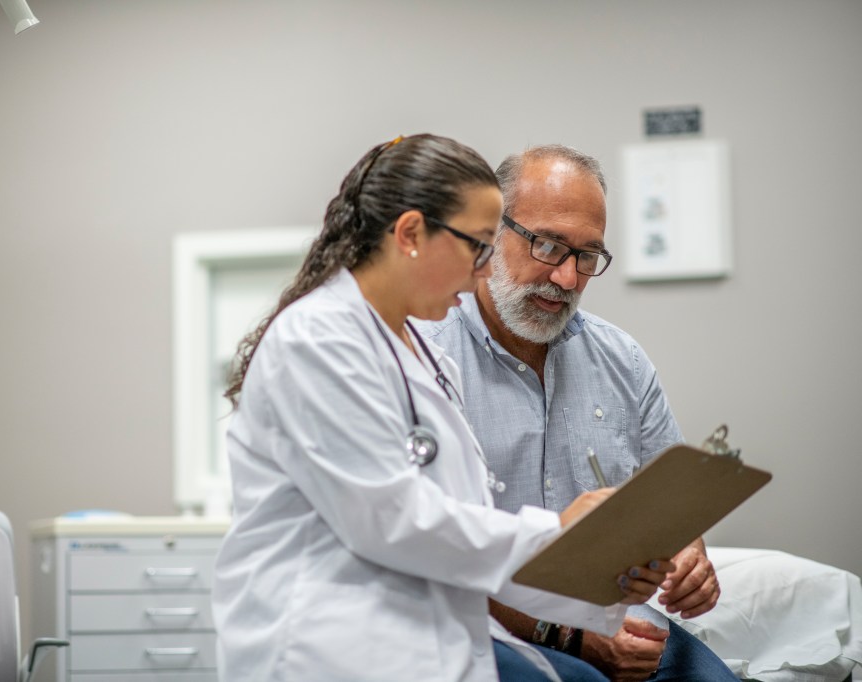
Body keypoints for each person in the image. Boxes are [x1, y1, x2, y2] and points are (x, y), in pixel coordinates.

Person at [211, 134, 676, 682]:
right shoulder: (315, 340)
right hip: (327, 648)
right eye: (476, 245)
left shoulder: (423, 355)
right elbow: (393, 521)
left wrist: (603, 586)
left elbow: (464, 534)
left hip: (428, 643)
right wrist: (558, 533)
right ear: (410, 234)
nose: (484, 270)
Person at [416, 144, 739, 682]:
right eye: (549, 246)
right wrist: (567, 636)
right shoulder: (424, 359)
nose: (567, 279)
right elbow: (431, 553)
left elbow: (671, 505)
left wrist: (689, 558)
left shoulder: (622, 362)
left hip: (615, 618)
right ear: (493, 231)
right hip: (481, 624)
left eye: (588, 257)